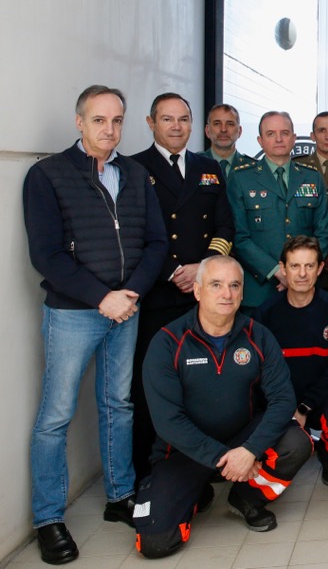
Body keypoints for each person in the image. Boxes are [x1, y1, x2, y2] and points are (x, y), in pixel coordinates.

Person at [22, 85, 168, 565]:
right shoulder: (47, 175)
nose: (110, 129)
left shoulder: (135, 173)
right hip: (73, 313)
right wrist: (100, 296)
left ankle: (119, 496)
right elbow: (45, 255)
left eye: (117, 120)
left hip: (126, 308)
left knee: (117, 405)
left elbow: (155, 243)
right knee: (55, 417)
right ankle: (48, 518)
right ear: (79, 122)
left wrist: (130, 294)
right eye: (100, 120)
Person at [135, 256, 311, 557]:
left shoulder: (259, 336)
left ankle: (246, 498)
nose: (226, 294)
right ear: (198, 290)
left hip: (241, 440)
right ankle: (195, 492)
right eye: (216, 285)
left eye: (234, 286)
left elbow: (283, 400)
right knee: (154, 544)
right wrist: (222, 457)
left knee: (296, 441)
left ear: (242, 293)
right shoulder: (167, 343)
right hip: (183, 453)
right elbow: (167, 421)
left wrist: (249, 450)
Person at [130, 92, 235, 480]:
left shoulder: (208, 167)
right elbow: (136, 232)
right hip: (160, 291)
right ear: (151, 122)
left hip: (203, 295)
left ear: (193, 124)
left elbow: (225, 226)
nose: (177, 126)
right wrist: (175, 270)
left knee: (204, 383)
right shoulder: (134, 167)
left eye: (183, 119)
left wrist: (203, 268)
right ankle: (150, 469)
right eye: (168, 119)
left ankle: (204, 466)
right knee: (153, 387)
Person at [253, 236, 328, 488]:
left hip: (319, 397)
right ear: (283, 269)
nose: (302, 274)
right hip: (279, 399)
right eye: (295, 266)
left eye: (309, 266)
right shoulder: (265, 314)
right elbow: (261, 372)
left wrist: (305, 407)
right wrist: (285, 407)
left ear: (320, 268)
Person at [226, 111, 328, 309]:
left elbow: (323, 233)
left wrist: (301, 273)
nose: (279, 139)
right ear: (260, 140)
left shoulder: (312, 178)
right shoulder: (241, 179)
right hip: (259, 290)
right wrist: (277, 272)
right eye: (271, 134)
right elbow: (239, 238)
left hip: (304, 288)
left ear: (293, 138)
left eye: (284, 133)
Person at [199, 103, 251, 178]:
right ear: (207, 131)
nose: (223, 129)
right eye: (217, 124)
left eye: (230, 124)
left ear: (239, 131)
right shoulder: (192, 164)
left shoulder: (253, 168)